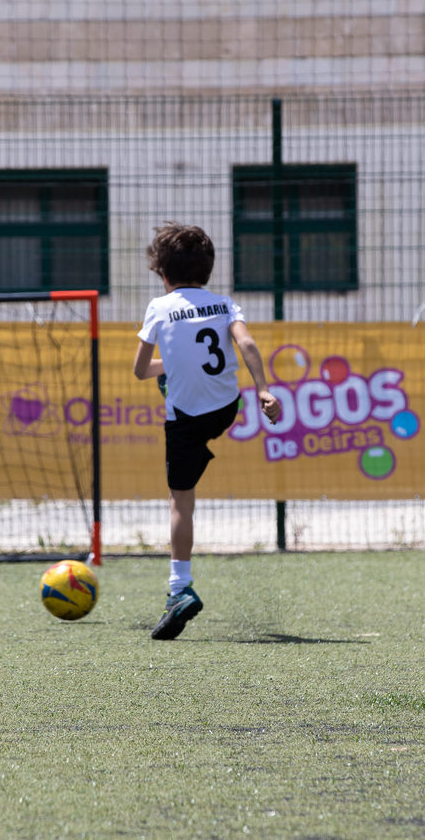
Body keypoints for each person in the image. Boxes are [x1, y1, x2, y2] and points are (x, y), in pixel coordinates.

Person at [133, 223, 281, 640]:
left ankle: (179, 589)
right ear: (209, 269)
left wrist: (167, 369)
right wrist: (264, 391)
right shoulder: (223, 304)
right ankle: (198, 442)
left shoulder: (159, 309)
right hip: (225, 409)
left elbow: (141, 370)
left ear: (162, 272)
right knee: (187, 402)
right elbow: (246, 344)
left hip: (184, 419)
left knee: (181, 503)